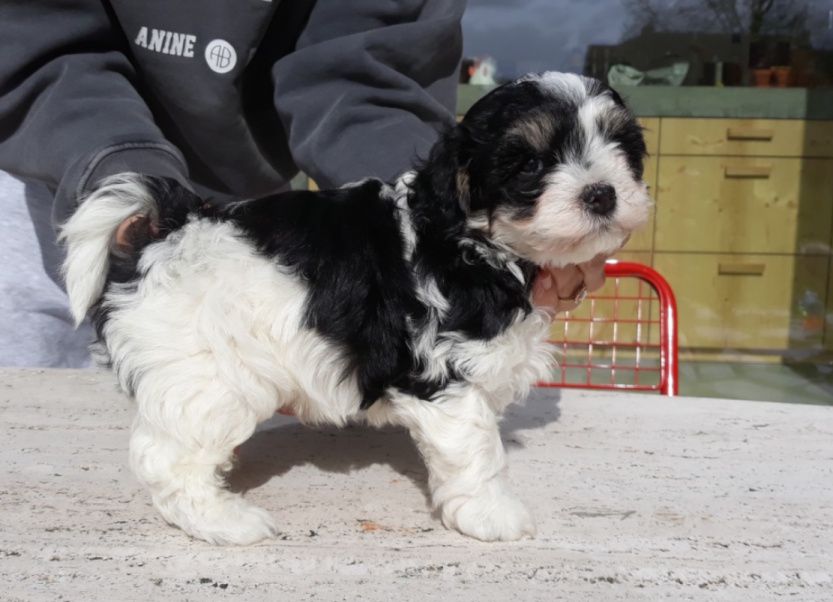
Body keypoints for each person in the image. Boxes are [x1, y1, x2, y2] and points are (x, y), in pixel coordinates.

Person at [0, 0, 604, 368]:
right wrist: (120, 172)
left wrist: (434, 228)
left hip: (260, 217)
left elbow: (369, 71)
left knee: (231, 420)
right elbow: (35, 43)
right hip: (64, 172)